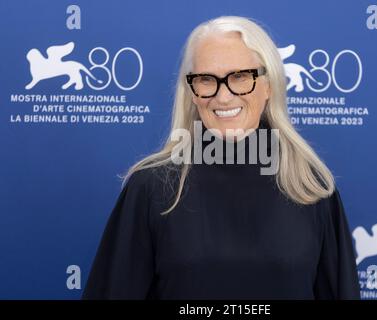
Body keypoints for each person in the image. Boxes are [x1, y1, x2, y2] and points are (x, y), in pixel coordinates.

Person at [82, 15, 360, 300]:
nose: (223, 97)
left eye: (240, 77)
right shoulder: (151, 187)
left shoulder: (310, 187)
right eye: (206, 80)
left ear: (269, 85)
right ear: (192, 92)